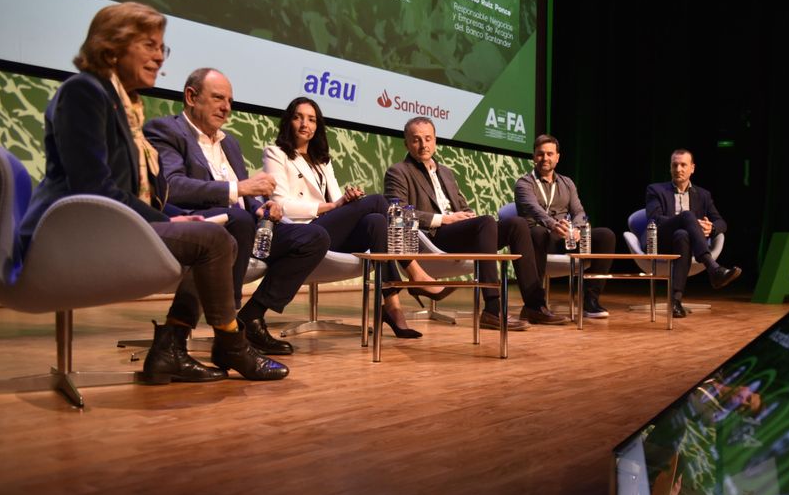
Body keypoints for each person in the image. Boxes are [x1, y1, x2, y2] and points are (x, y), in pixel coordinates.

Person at [17, 2, 286, 382]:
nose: (159, 56)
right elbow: (94, 188)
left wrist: (170, 217)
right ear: (113, 45)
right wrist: (167, 219)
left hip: (105, 221)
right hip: (74, 232)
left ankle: (173, 348)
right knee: (214, 239)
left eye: (163, 47)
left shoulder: (125, 105)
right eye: (149, 44)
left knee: (218, 232)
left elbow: (126, 190)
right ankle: (230, 343)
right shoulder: (84, 92)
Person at [145, 69, 329, 356]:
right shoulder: (167, 131)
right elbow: (172, 186)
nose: (226, 107)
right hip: (198, 224)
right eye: (218, 98)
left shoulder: (229, 142)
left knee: (313, 237)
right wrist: (238, 191)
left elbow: (247, 197)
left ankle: (252, 315)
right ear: (191, 97)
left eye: (230, 100)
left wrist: (262, 206)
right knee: (238, 219)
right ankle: (228, 335)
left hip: (247, 226)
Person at [262, 97, 445, 338]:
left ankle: (393, 307)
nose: (305, 123)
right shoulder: (276, 153)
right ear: (288, 121)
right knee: (379, 202)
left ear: (318, 126)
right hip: (302, 232)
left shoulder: (322, 161)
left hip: (329, 232)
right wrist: (331, 206)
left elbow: (338, 200)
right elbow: (282, 205)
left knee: (377, 222)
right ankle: (414, 272)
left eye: (312, 119)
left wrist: (347, 200)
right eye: (298, 117)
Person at [384, 116, 568, 330]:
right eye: (416, 140)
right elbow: (394, 212)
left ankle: (535, 305)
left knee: (516, 224)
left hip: (459, 231)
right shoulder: (398, 171)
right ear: (406, 143)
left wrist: (468, 215)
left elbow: (463, 206)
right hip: (433, 235)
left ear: (435, 141)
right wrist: (444, 219)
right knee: (487, 222)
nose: (423, 145)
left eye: (428, 138)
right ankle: (492, 309)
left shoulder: (446, 172)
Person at [514, 134, 616, 318]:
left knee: (606, 235)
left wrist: (576, 229)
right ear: (533, 156)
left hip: (565, 237)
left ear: (557, 157)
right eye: (540, 154)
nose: (545, 158)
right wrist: (553, 225)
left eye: (550, 154)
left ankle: (590, 301)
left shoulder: (567, 183)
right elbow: (534, 210)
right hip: (538, 239)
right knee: (538, 232)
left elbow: (579, 211)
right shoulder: (524, 183)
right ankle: (535, 304)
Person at [646, 149, 741, 318]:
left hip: (686, 243)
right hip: (661, 239)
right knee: (687, 215)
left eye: (683, 165)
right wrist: (685, 218)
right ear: (670, 168)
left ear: (692, 168)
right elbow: (655, 220)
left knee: (683, 235)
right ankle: (713, 268)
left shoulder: (703, 195)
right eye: (675, 165)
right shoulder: (656, 190)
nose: (678, 169)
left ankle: (675, 301)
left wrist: (711, 228)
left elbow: (721, 222)